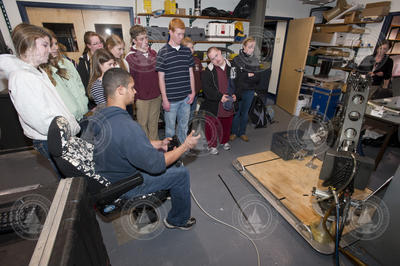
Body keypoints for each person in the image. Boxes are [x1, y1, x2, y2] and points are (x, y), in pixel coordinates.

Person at [86, 68, 200, 230]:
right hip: (128, 184)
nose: (135, 91)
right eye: (132, 87)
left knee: (165, 154)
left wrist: (158, 144)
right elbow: (156, 165)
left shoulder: (100, 115)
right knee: (181, 174)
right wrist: (185, 146)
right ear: (120, 90)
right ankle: (178, 220)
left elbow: (125, 144)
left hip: (110, 175)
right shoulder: (127, 127)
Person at [0, 23, 79, 173]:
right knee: (71, 179)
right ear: (29, 44)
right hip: (51, 140)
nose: (49, 50)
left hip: (59, 137)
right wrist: (67, 130)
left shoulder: (38, 72)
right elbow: (41, 121)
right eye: (44, 45)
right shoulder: (22, 78)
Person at [156, 18, 195, 144]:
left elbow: (190, 73)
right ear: (170, 32)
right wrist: (165, 99)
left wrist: (193, 92)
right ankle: (171, 153)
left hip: (185, 98)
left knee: (183, 127)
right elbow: (160, 78)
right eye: (178, 34)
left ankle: (181, 153)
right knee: (170, 130)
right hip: (171, 101)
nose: (181, 37)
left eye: (183, 34)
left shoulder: (186, 51)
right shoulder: (162, 52)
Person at [42, 29, 89, 121]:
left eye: (56, 44)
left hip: (83, 115)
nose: (56, 48)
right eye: (51, 45)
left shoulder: (67, 64)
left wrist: (84, 103)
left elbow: (79, 86)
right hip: (67, 121)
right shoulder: (42, 72)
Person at [126, 25, 161, 140]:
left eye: (146, 38)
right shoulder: (130, 58)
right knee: (142, 124)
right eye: (141, 39)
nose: (145, 41)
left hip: (156, 95)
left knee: (154, 124)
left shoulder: (154, 54)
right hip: (141, 98)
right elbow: (129, 80)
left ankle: (155, 148)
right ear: (134, 41)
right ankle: (146, 148)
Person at [200, 47, 237, 155]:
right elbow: (207, 90)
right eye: (212, 59)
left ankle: (224, 141)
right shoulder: (208, 71)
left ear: (220, 53)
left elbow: (238, 83)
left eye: (216, 55)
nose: (216, 59)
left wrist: (236, 95)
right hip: (213, 104)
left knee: (227, 123)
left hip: (229, 102)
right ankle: (212, 145)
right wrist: (220, 96)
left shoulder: (233, 67)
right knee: (211, 125)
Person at [230, 37, 261, 142]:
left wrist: (244, 75)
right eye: (249, 47)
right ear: (244, 47)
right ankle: (234, 132)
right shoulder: (236, 60)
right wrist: (248, 75)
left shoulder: (255, 61)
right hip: (238, 91)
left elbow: (257, 77)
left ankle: (242, 132)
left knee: (245, 113)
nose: (251, 49)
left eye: (253, 47)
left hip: (250, 91)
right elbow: (234, 77)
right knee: (236, 113)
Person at [181, 37, 202, 118]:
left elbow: (200, 75)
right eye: (188, 48)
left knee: (192, 115)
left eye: (192, 47)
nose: (191, 50)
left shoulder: (197, 60)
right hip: (184, 95)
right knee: (184, 116)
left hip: (195, 93)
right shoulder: (180, 61)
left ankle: (190, 130)